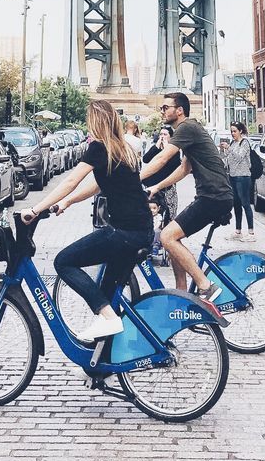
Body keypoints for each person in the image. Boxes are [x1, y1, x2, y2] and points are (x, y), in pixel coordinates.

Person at [22, 99, 151, 343]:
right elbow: (96, 185)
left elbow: (72, 180)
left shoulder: (99, 148)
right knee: (107, 295)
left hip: (122, 233)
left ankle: (109, 318)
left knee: (64, 262)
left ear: (96, 122)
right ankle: (102, 365)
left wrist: (36, 209)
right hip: (140, 232)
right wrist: (67, 202)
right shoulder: (123, 150)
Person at [140, 92, 233, 302]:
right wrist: (155, 187)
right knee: (172, 237)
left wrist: (134, 178)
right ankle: (182, 293)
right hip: (214, 195)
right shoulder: (190, 130)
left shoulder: (186, 127)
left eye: (165, 107)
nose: (162, 111)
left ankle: (206, 286)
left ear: (179, 110)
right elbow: (184, 168)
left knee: (166, 237)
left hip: (213, 196)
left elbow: (163, 158)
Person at [142, 126, 178, 259]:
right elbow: (146, 159)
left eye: (165, 134)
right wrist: (156, 146)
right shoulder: (155, 148)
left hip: (167, 188)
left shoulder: (174, 150)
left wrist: (168, 147)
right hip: (152, 187)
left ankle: (167, 245)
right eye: (161, 134)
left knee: (168, 217)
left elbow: (175, 165)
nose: (163, 136)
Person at [225, 121, 256, 240]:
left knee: (245, 203)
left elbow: (239, 156)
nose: (232, 133)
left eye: (234, 131)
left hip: (243, 177)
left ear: (240, 131)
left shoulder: (245, 143)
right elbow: (230, 159)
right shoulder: (233, 143)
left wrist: (230, 149)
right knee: (236, 203)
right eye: (231, 131)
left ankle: (251, 232)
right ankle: (238, 230)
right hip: (233, 175)